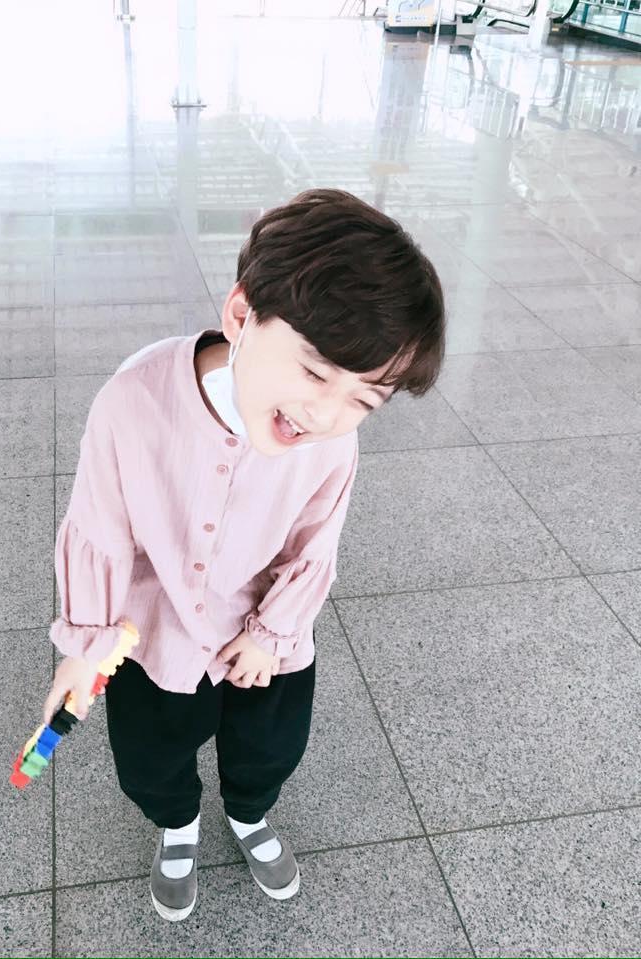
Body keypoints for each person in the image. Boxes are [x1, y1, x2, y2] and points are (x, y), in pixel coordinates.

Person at [42, 188, 445, 921]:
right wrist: (83, 647)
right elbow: (98, 527)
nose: (326, 414)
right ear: (241, 315)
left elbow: (315, 543)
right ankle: (177, 822)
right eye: (316, 373)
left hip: (264, 636)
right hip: (154, 634)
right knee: (152, 754)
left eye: (365, 400)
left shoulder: (331, 443)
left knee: (269, 745)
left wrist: (271, 632)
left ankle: (249, 811)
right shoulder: (132, 402)